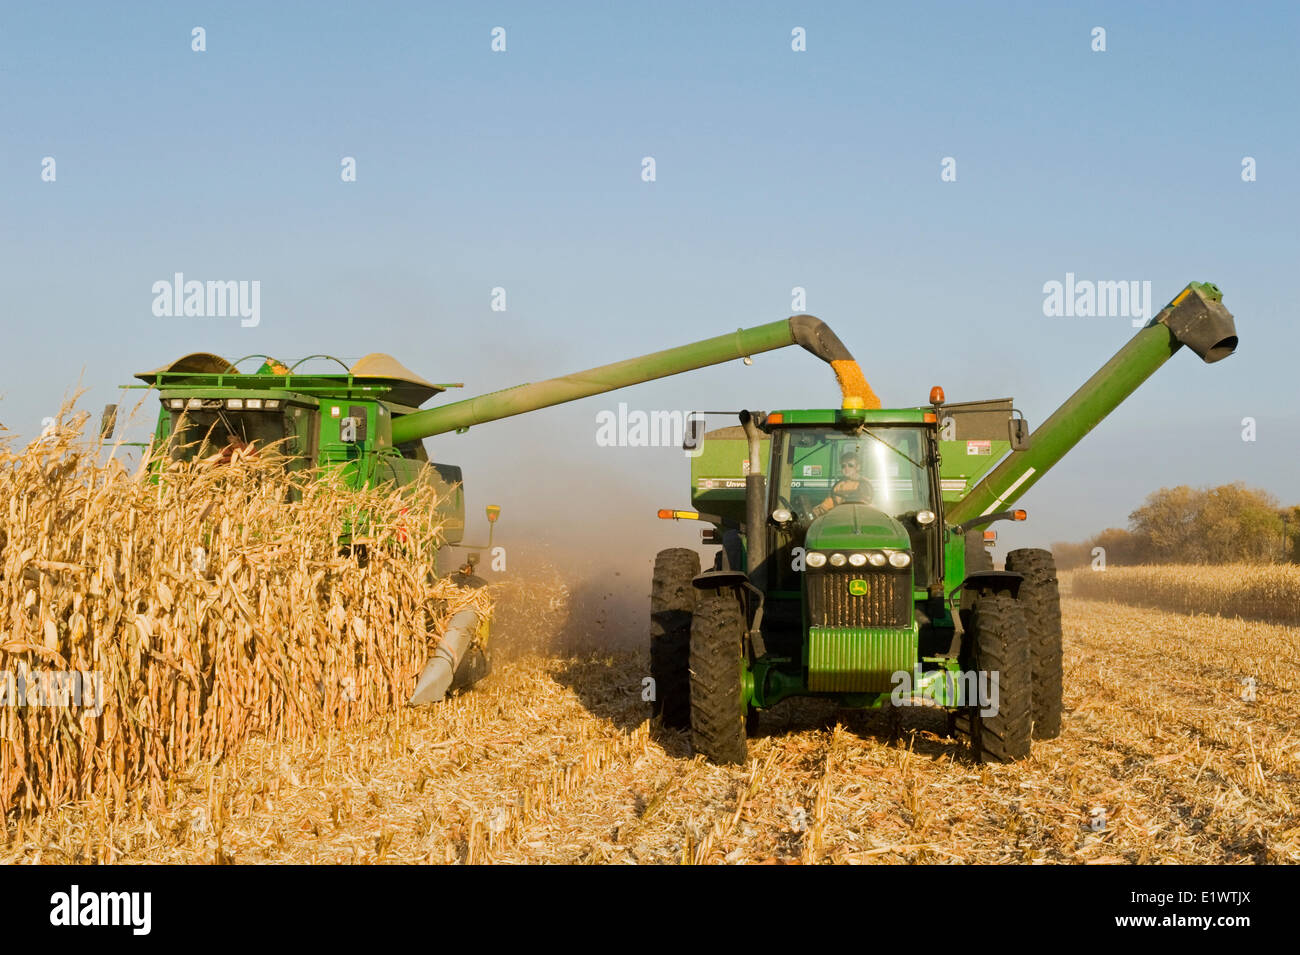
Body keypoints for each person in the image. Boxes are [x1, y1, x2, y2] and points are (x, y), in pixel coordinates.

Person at [811, 451, 873, 517]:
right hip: (840, 516)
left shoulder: (864, 484)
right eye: (843, 466)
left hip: (859, 516)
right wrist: (817, 510)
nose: (846, 468)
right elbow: (831, 501)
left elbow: (865, 504)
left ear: (858, 467)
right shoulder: (839, 485)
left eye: (850, 465)